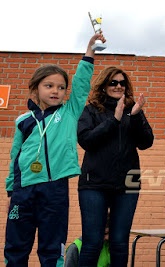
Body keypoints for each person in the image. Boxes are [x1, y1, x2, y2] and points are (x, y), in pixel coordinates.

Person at [4, 33, 105, 266]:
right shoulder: (23, 121)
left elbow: (80, 86)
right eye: (49, 85)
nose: (55, 91)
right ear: (35, 88)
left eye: (61, 87)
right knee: (16, 246)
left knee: (52, 248)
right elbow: (15, 156)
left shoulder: (68, 113)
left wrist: (89, 52)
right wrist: (12, 189)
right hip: (23, 189)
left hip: (55, 189)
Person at [77, 66, 154, 266]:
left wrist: (135, 116)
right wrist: (114, 119)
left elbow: (146, 142)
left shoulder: (133, 110)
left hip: (127, 186)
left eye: (122, 83)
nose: (118, 86)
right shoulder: (91, 110)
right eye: (113, 82)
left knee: (119, 243)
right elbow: (86, 140)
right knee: (92, 242)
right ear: (103, 86)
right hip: (94, 185)